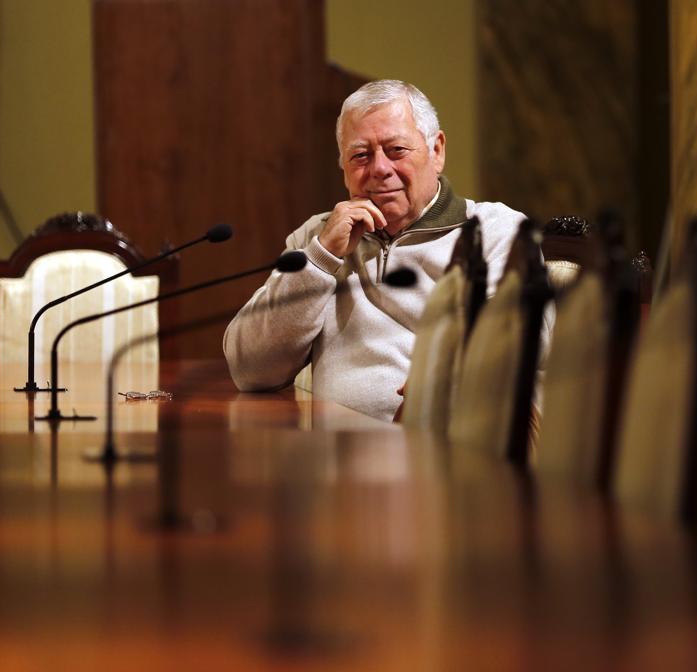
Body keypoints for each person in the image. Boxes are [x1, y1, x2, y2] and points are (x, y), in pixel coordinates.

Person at [223, 79, 526, 421]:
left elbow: (517, 335)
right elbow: (250, 370)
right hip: (337, 460)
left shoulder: (495, 229)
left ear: (436, 151)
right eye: (361, 155)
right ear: (344, 169)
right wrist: (322, 258)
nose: (380, 169)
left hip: (448, 447)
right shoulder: (315, 238)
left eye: (396, 150)